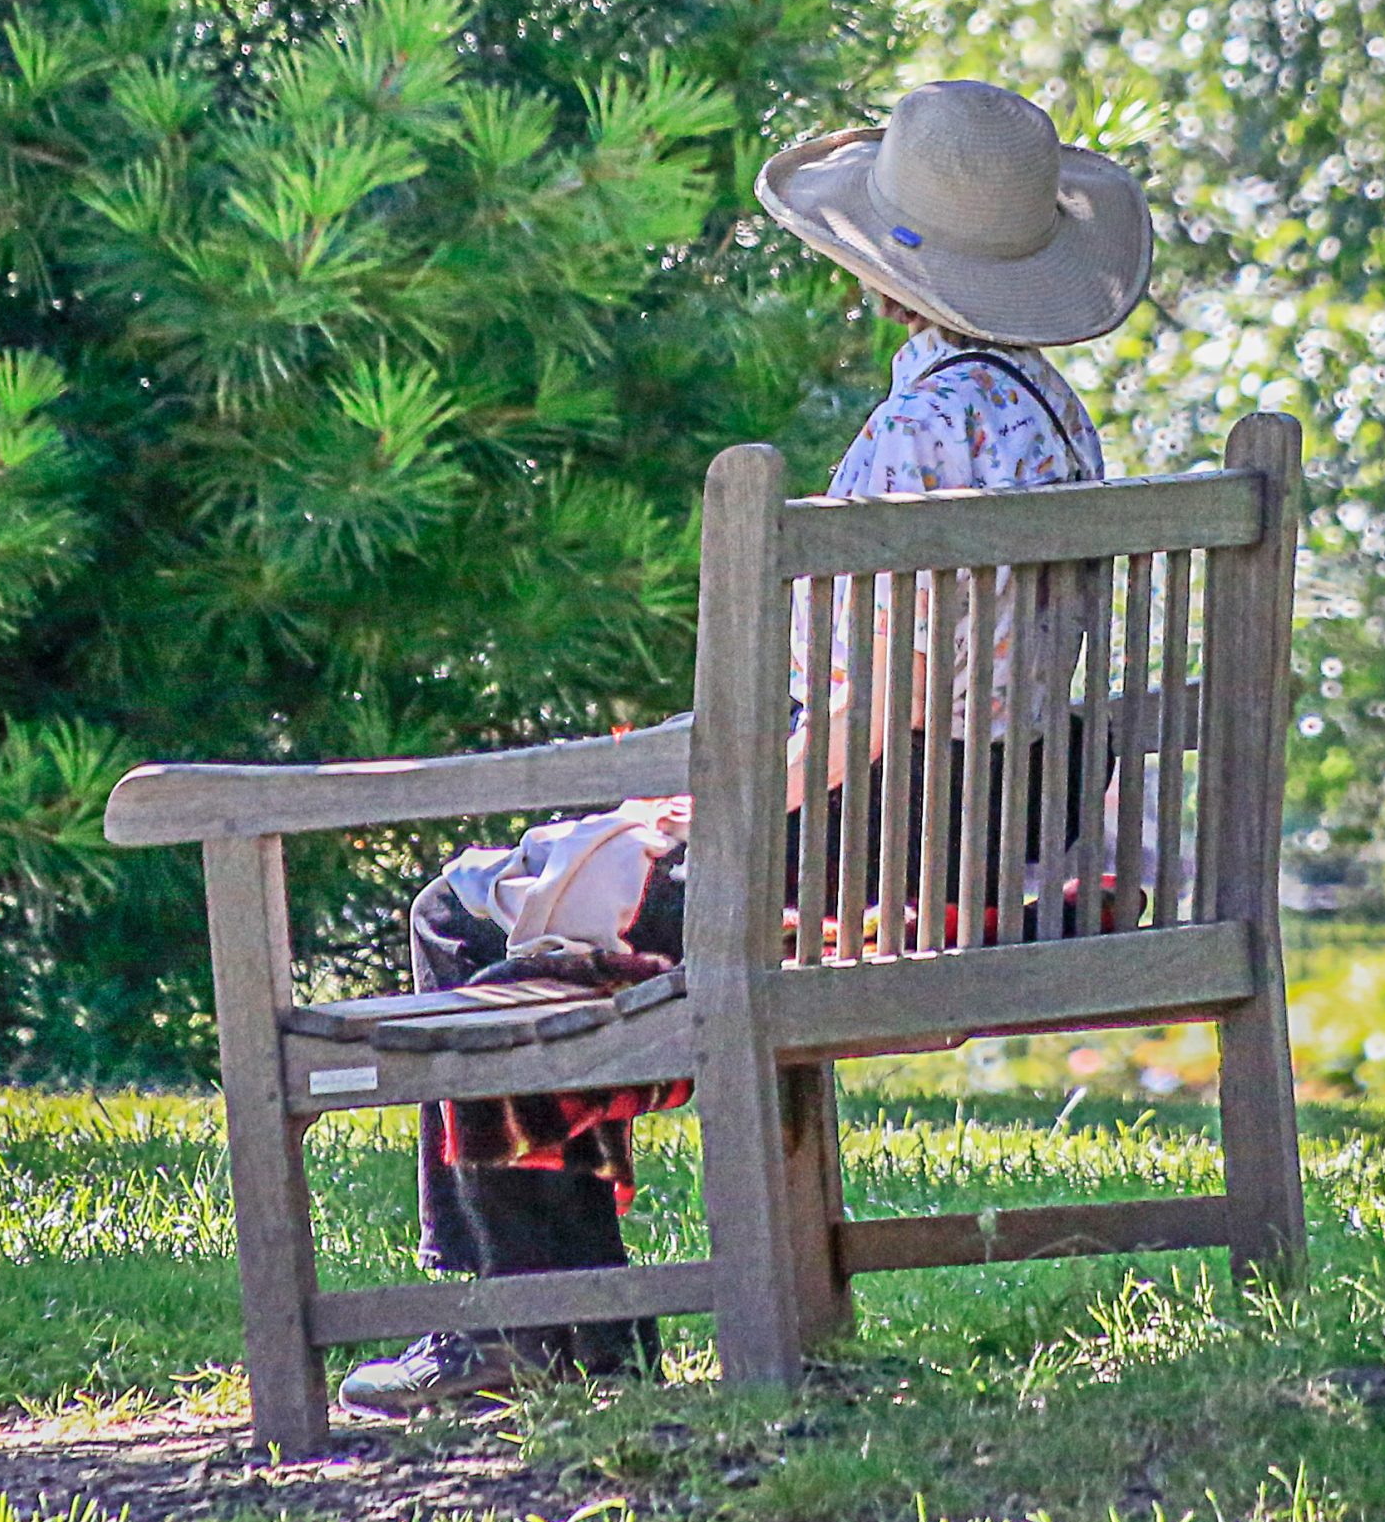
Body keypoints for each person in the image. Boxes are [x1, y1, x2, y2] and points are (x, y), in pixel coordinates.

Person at [337, 78, 1154, 1414]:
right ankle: (549, 1332)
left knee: (469, 908)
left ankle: (538, 1334)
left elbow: (868, 717)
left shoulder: (913, 438)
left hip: (864, 856)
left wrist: (699, 806)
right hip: (989, 827)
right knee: (571, 866)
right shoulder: (1054, 422)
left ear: (882, 275)